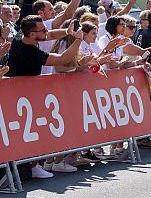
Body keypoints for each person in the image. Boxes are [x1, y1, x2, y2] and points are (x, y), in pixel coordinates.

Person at [7, 16, 89, 179]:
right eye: (42, 29)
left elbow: (50, 35)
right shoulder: (30, 52)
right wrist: (78, 40)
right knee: (28, 133)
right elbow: (63, 59)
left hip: (24, 94)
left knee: (32, 132)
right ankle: (32, 166)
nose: (46, 31)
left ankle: (34, 165)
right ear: (31, 34)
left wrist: (67, 32)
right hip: (21, 96)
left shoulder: (21, 37)